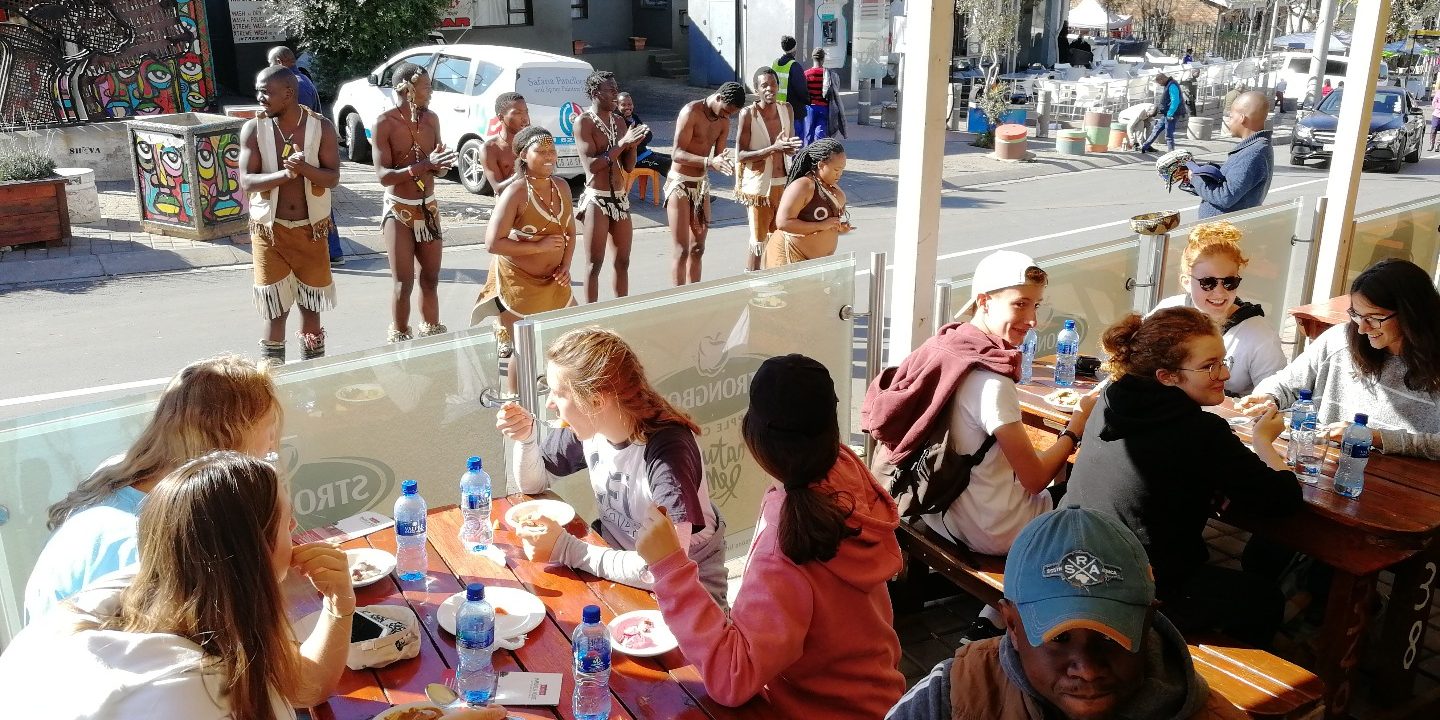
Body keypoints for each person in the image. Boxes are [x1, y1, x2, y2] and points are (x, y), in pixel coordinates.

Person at [634, 355, 906, 718]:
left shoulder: (789, 545)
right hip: (881, 699)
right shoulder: (845, 474)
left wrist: (670, 569)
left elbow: (734, 677)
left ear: (753, 437)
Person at [861, 251, 1097, 641]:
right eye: (1020, 304)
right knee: (1087, 494)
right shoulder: (991, 382)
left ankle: (992, 615)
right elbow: (1035, 479)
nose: (1032, 320)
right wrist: (1075, 428)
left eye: (1036, 306)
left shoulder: (944, 347)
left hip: (937, 508)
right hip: (992, 530)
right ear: (985, 299)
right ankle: (1031, 610)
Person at [1066, 307, 1302, 648]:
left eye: (1224, 361)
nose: (1224, 374)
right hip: (1144, 587)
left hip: (1084, 559)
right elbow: (1283, 499)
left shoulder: (1111, 398)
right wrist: (1265, 441)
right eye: (1209, 366)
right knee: (1264, 599)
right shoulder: (1200, 430)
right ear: (1166, 376)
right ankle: (1209, 677)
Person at [887, 506, 1248, 720]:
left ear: (1147, 621)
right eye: (1059, 638)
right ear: (1011, 625)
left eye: (1109, 637)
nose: (1088, 670)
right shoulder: (959, 692)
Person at [23, 355, 281, 623]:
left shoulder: (120, 475)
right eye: (269, 430)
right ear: (230, 438)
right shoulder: (145, 544)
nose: (272, 445)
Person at [495, 328, 728, 604]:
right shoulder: (593, 426)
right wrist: (526, 440)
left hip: (689, 596)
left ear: (596, 400)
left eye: (558, 394)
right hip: (616, 573)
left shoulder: (668, 452)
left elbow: (666, 568)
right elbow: (533, 483)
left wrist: (568, 549)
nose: (549, 405)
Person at [1237, 258, 1440, 460]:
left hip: (1405, 482)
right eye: (1356, 315)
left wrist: (1375, 438)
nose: (1362, 328)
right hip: (1320, 465)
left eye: (1374, 318)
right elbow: (1285, 383)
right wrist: (1269, 397)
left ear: (1412, 313)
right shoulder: (1339, 340)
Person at [240, 66, 340, 364]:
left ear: (288, 93)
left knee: (311, 311)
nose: (260, 98)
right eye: (258, 91)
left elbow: (332, 177)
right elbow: (247, 182)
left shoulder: (321, 127)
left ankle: (314, 375)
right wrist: (287, 173)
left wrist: (305, 169)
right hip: (270, 233)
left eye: (266, 92)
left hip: (312, 231)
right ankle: (273, 380)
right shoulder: (253, 129)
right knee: (275, 312)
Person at [470, 126, 576, 379]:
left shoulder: (561, 186)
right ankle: (518, 410)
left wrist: (565, 267)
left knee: (569, 339)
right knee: (523, 351)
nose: (549, 156)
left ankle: (554, 401)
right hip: (518, 283)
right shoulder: (516, 192)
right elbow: (493, 243)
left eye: (552, 151)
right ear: (523, 156)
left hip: (555, 280)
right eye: (541, 151)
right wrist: (538, 247)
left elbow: (570, 233)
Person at [1150, 221, 1286, 396]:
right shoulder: (1167, 311)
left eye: (1229, 282)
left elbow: (1273, 398)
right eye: (1208, 283)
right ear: (1185, 282)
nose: (1219, 292)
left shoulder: (1259, 334)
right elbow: (1137, 361)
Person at [374, 62, 457, 343]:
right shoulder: (384, 123)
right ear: (407, 89)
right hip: (398, 210)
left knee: (431, 279)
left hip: (429, 208)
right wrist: (424, 165)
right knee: (403, 283)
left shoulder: (431, 119)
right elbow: (384, 177)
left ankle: (432, 335)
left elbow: (437, 165)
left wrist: (441, 166)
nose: (431, 91)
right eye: (426, 86)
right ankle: (399, 337)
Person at [267, 46, 343, 267]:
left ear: (280, 62)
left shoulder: (297, 86)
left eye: (271, 64)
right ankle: (331, 250)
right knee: (317, 199)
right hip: (308, 154)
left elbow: (301, 124)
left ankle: (330, 250)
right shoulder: (301, 81)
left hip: (306, 154)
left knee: (315, 200)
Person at [575, 71, 647, 303]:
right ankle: (590, 314)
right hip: (597, 198)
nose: (616, 94)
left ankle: (621, 308)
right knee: (594, 264)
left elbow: (628, 166)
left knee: (623, 261)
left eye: (616, 89)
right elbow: (592, 166)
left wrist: (633, 146)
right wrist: (622, 144)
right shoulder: (583, 122)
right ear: (596, 93)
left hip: (620, 198)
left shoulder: (618, 120)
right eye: (611, 90)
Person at [665, 82, 744, 286]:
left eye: (731, 114)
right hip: (679, 183)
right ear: (718, 97)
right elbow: (676, 153)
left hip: (700, 185)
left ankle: (695, 294)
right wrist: (710, 162)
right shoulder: (691, 111)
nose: (726, 116)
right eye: (726, 111)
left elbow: (719, 156)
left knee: (698, 247)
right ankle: (678, 297)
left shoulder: (724, 121)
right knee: (682, 250)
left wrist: (726, 163)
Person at [735, 66, 799, 271]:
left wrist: (789, 149)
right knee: (757, 242)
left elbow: (790, 146)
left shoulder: (786, 108)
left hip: (785, 184)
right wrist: (773, 148)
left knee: (779, 239)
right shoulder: (748, 114)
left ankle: (773, 286)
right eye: (764, 85)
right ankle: (750, 286)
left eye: (773, 84)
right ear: (756, 90)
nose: (770, 88)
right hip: (760, 188)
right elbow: (740, 155)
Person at [763, 138, 850, 268]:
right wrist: (821, 225)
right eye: (836, 170)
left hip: (818, 264)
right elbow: (783, 222)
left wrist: (838, 227)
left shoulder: (831, 186)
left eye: (842, 169)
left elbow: (825, 220)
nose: (840, 174)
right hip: (791, 256)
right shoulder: (803, 186)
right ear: (821, 165)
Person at [1186, 91, 1273, 219]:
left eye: (1231, 117)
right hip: (1221, 230)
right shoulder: (1254, 147)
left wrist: (1195, 178)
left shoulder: (1254, 153)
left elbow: (1225, 196)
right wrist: (1205, 174)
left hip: (1223, 233)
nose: (1229, 122)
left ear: (1242, 118)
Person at [480, 91, 529, 198]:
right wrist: (522, 172)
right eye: (518, 113)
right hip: (508, 208)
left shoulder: (532, 143)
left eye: (526, 112)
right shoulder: (490, 148)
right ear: (501, 117)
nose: (525, 118)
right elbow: (498, 189)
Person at [618, 92, 671, 176]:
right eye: (623, 105)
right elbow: (636, 142)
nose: (627, 107)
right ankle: (678, 187)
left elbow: (648, 137)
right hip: (635, 159)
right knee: (669, 164)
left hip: (644, 153)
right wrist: (642, 134)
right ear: (617, 106)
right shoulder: (619, 121)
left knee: (674, 159)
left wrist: (644, 133)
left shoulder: (634, 117)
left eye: (630, 104)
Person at [773, 35, 810, 138]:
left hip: (777, 111)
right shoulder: (795, 66)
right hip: (794, 112)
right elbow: (802, 91)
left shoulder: (775, 64)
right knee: (796, 144)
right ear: (794, 49)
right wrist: (807, 100)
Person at [1139, 72, 1186, 154]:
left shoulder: (1172, 85)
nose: (1159, 84)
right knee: (1157, 129)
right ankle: (1145, 146)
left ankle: (1171, 152)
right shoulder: (1168, 85)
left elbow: (1175, 100)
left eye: (1159, 82)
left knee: (1168, 133)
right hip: (1167, 113)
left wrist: (1170, 113)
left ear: (1162, 79)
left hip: (1171, 113)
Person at [803, 48, 831, 144]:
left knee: (808, 134)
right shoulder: (827, 74)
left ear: (812, 58)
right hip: (823, 108)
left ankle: (808, 155)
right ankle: (819, 154)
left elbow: (803, 92)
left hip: (810, 108)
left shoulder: (806, 74)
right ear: (823, 59)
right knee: (820, 133)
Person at [1429, 80, 1440, 152]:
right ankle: (1431, 144)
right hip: (1437, 114)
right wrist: (1438, 106)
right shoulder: (1439, 92)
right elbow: (1434, 102)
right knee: (1434, 129)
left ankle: (1438, 145)